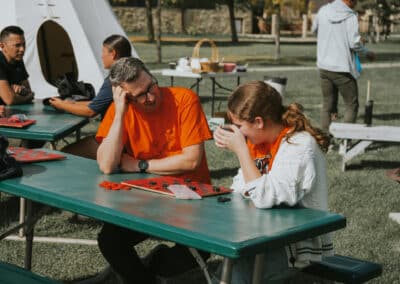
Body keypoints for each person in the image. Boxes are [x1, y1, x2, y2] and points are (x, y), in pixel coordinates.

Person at [96, 57, 212, 283]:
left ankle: (149, 266)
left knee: (195, 255)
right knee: (110, 240)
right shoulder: (121, 109)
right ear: (125, 96)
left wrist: (140, 165)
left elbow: (191, 161)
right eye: (140, 95)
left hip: (193, 200)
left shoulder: (184, 99)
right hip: (147, 199)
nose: (150, 97)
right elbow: (107, 165)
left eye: (151, 86)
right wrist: (119, 113)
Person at [213, 81, 333, 283]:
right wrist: (245, 154)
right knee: (227, 271)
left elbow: (264, 197)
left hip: (295, 246)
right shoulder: (258, 143)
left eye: (239, 126)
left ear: (258, 122)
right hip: (261, 234)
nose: (237, 132)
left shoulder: (300, 145)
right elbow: (239, 187)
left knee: (234, 276)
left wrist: (241, 151)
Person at [48, 34, 132, 159]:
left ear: (113, 53)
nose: (101, 56)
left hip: (116, 140)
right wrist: (71, 103)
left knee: (64, 153)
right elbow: (96, 103)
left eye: (103, 52)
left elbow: (90, 111)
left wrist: (62, 105)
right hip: (128, 136)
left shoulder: (114, 80)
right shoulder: (130, 73)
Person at [312, 0, 375, 133]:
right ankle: (345, 140)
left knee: (327, 105)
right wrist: (366, 52)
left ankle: (325, 140)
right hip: (342, 69)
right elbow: (354, 43)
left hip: (324, 66)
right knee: (351, 104)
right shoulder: (350, 16)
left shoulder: (323, 11)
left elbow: (314, 30)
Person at [0, 25, 34, 106]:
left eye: (24, 44)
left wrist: (22, 91)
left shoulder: (18, 60)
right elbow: (10, 100)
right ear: (2, 46)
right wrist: (27, 97)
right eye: (17, 45)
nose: (22, 49)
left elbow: (28, 90)